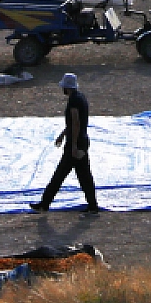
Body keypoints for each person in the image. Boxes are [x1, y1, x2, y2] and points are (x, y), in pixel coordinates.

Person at [30, 73, 100, 214]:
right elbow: (74, 123)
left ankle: (44, 204)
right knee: (84, 176)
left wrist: (73, 145)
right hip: (82, 141)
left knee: (60, 175)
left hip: (75, 143)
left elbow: (75, 123)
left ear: (66, 87)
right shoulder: (80, 97)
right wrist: (62, 135)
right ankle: (93, 206)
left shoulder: (73, 101)